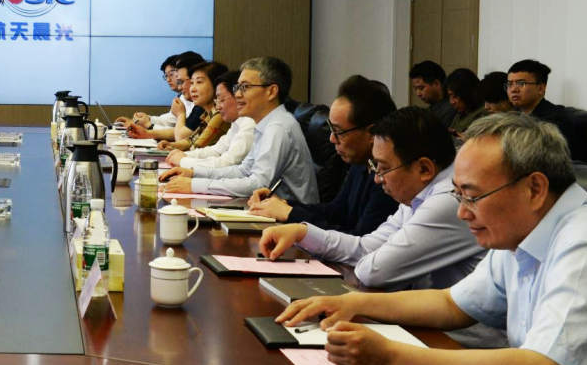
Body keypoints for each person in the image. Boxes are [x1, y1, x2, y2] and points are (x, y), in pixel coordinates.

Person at [277, 113, 587, 365]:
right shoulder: (522, 228)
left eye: (472, 196)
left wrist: (390, 357)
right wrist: (353, 303)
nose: (463, 212)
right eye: (457, 195)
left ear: (534, 189)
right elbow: (452, 304)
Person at [259, 107, 483, 290]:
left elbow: (375, 272)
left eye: (383, 168)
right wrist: (303, 232)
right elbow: (367, 246)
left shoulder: (449, 200)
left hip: (453, 332)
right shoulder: (420, 191)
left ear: (424, 168)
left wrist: (374, 255)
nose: (376, 179)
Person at [247, 75, 401, 236]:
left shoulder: (388, 179)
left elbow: (357, 239)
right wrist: (283, 204)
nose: (332, 138)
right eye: (331, 129)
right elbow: (337, 211)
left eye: (338, 131)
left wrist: (291, 214)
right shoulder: (360, 164)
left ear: (372, 133)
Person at [160, 57, 319, 203]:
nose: (237, 94)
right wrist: (194, 173)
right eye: (237, 87)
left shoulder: (278, 127)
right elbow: (243, 171)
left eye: (245, 87)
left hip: (291, 218)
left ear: (271, 92)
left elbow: (257, 184)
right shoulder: (265, 123)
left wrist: (196, 185)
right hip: (267, 209)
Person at [165, 70, 254, 170]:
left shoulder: (249, 123)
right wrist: (183, 155)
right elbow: (216, 151)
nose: (218, 106)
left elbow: (228, 162)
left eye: (221, 100)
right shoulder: (237, 123)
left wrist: (183, 160)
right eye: (192, 82)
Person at [120, 51, 204, 129]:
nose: (168, 79)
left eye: (171, 74)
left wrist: (149, 125)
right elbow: (170, 121)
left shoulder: (202, 105)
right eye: (166, 76)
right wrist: (147, 119)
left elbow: (183, 134)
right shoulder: (182, 98)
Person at [156, 62, 229, 151]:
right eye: (192, 83)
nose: (193, 89)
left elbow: (196, 147)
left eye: (199, 82)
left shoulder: (220, 114)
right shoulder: (207, 113)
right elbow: (192, 140)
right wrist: (172, 145)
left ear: (217, 85)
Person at [507, 59, 565, 125]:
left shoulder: (553, 121)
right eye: (509, 84)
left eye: (521, 83)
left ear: (540, 89)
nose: (513, 89)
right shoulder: (511, 116)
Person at [409, 60, 454, 128]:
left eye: (421, 88)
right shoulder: (432, 110)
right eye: (416, 89)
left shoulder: (450, 109)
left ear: (436, 84)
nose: (418, 93)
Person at [445, 68, 485, 136]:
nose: (451, 102)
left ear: (466, 93)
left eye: (455, 96)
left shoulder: (483, 113)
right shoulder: (462, 111)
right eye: (449, 96)